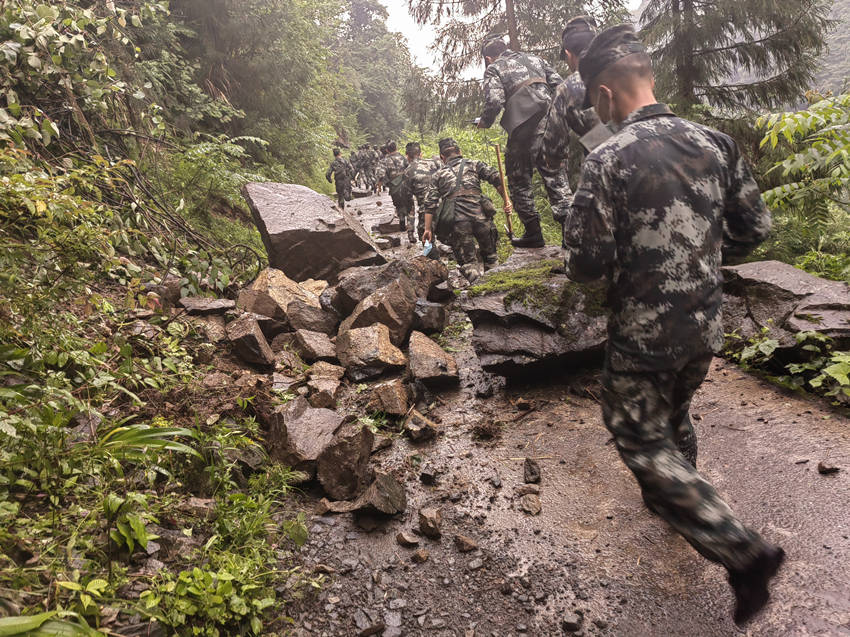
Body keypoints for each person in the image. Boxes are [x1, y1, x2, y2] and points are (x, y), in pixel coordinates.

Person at [563, 24, 783, 625]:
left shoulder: (608, 159)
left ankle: (743, 551)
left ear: (604, 96)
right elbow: (755, 231)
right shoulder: (715, 143)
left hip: (641, 335)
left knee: (637, 436)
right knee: (674, 414)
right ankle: (674, 499)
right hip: (704, 326)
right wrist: (700, 264)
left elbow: (584, 265)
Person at [477, 37, 571, 248]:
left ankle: (533, 233)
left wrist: (484, 122)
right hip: (553, 124)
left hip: (524, 129)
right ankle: (572, 236)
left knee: (519, 179)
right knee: (557, 178)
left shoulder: (494, 68)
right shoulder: (536, 59)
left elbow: (494, 101)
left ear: (489, 57)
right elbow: (561, 86)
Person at [422, 138, 511, 283]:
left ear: (442, 157)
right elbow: (497, 178)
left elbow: (430, 204)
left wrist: (428, 229)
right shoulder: (475, 164)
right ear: (460, 152)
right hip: (481, 217)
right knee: (491, 257)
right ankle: (495, 287)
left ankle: (477, 289)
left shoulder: (438, 175)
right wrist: (507, 201)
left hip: (458, 223)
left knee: (469, 263)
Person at [538, 16, 601, 172]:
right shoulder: (626, 68)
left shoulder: (568, 89)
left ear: (569, 54)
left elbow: (552, 151)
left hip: (606, 175)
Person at [404, 141, 442, 243]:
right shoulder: (434, 162)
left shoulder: (408, 172)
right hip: (444, 206)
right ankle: (452, 254)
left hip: (425, 209)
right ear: (421, 154)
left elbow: (409, 204)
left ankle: (433, 257)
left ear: (407, 156)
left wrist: (410, 231)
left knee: (425, 236)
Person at [376, 141, 413, 235]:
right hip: (406, 185)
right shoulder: (404, 158)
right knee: (410, 207)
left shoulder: (384, 161)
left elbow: (380, 174)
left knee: (399, 205)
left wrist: (379, 184)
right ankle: (411, 231)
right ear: (396, 148)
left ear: (387, 150)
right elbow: (410, 169)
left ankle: (401, 222)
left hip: (394, 187)